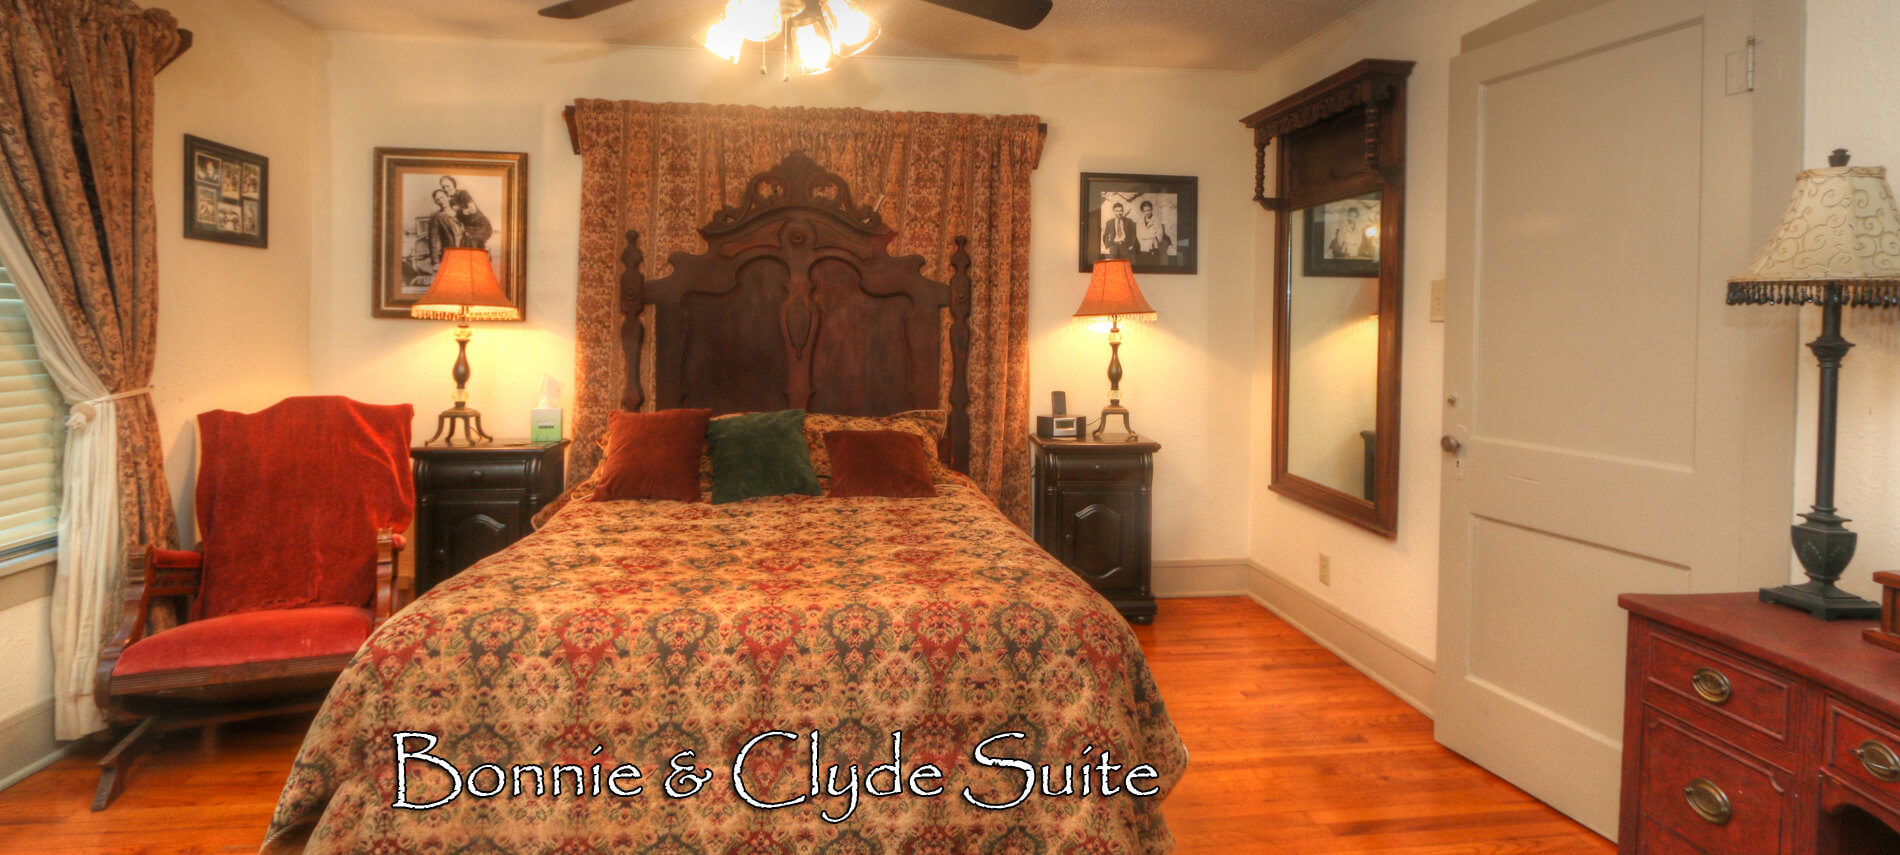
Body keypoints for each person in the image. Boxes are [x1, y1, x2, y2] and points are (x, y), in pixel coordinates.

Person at [425, 188, 462, 266]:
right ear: (436, 202)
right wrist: (436, 262)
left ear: (448, 197)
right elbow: (433, 240)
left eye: (442, 197)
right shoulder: (436, 217)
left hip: (465, 251)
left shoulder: (460, 213)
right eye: (437, 200)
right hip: (451, 255)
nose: (441, 201)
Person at [1135, 199, 1173, 266]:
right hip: (1143, 247)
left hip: (1153, 247)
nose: (1147, 212)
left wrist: (1147, 237)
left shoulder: (1156, 220)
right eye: (1145, 211)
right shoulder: (1140, 221)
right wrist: (1151, 235)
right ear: (1142, 212)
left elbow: (1159, 236)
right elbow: (1139, 235)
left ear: (1152, 209)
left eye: (1149, 210)